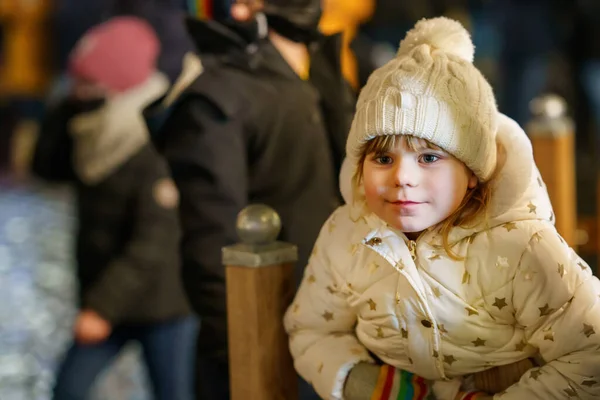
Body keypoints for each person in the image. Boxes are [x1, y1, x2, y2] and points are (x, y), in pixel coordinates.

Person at [285, 17, 600, 400]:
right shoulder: (345, 234)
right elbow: (312, 328)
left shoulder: (521, 247)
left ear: (472, 173)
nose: (402, 177)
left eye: (429, 157)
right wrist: (359, 381)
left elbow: (589, 352)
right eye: (382, 158)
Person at [146, 0, 355, 398]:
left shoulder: (323, 68)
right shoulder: (219, 94)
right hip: (268, 336)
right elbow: (213, 246)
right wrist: (245, 354)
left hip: (338, 329)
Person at [30, 17, 196, 400]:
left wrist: (102, 309)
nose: (78, 90)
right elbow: (47, 167)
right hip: (106, 291)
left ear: (117, 85)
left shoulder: (152, 138)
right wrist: (66, 109)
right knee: (68, 390)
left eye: (88, 83)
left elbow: (153, 243)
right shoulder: (93, 129)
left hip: (161, 304)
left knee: (174, 392)